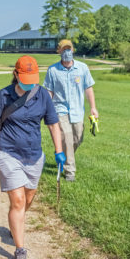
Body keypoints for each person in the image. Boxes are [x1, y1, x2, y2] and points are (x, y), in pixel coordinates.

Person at [0, 55, 64, 259]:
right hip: (8, 153)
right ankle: (20, 250)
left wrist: (59, 150)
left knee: (28, 198)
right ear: (15, 74)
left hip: (34, 155)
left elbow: (53, 124)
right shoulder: (4, 95)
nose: (29, 82)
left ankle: (16, 225)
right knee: (18, 201)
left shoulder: (42, 95)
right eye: (25, 77)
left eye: (33, 78)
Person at [43, 39, 99, 182]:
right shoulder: (53, 70)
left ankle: (60, 151)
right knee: (67, 139)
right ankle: (70, 172)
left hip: (77, 110)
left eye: (69, 49)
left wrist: (93, 107)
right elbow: (49, 91)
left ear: (73, 50)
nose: (67, 52)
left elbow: (89, 88)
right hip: (59, 109)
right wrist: (46, 109)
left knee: (77, 138)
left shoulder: (82, 68)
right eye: (64, 49)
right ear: (59, 52)